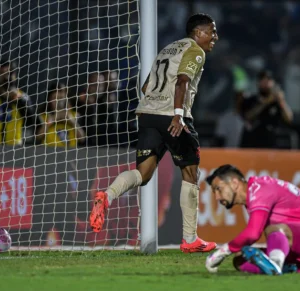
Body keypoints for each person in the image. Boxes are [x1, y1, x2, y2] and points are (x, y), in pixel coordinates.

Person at [89, 13, 219, 253]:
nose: (215, 37)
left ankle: (107, 195)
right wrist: (178, 114)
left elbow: (146, 86)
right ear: (198, 33)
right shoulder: (195, 51)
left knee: (143, 173)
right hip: (173, 116)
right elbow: (182, 81)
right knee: (190, 172)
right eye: (211, 32)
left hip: (148, 114)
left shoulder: (168, 49)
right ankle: (190, 239)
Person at [204, 165, 300, 275]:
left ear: (234, 183)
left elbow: (253, 233)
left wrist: (222, 252)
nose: (216, 197)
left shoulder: (259, 188)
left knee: (277, 230)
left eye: (218, 189)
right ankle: (285, 268)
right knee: (240, 260)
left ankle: (275, 264)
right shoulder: (254, 195)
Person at [240, 70, 293, 148]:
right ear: (258, 83)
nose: (265, 83)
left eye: (268, 80)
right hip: (253, 142)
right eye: (262, 80)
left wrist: (282, 101)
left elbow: (289, 119)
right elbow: (248, 116)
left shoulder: (277, 102)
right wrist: (266, 102)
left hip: (272, 143)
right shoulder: (251, 100)